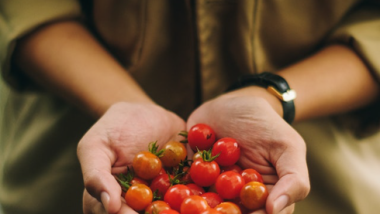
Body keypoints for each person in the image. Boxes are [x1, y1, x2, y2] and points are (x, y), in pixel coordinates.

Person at [0, 1, 379, 214]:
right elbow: (29, 8)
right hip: (63, 173)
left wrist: (268, 97)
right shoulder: (180, 172)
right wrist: (122, 102)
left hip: (328, 184)